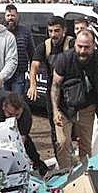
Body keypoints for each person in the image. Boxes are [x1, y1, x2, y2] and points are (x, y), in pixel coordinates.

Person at [50, 30, 98, 168]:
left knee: (85, 144)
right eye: (80, 46)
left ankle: (83, 173)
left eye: (86, 47)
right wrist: (55, 111)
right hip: (64, 108)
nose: (82, 51)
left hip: (87, 108)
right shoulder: (64, 59)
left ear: (93, 46)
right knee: (62, 142)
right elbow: (55, 86)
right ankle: (65, 174)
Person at [29, 16, 75, 147]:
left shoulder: (72, 43)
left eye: (56, 31)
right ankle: (60, 156)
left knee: (74, 128)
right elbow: (34, 65)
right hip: (53, 91)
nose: (53, 34)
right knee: (55, 126)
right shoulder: (45, 46)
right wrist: (33, 84)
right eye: (50, 31)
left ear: (64, 30)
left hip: (71, 90)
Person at [2, 91, 47, 176]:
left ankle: (39, 167)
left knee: (28, 149)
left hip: (19, 133)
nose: (13, 119)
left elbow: (21, 141)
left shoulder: (26, 115)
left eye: (17, 115)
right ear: (3, 107)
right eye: (10, 114)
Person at [4, 4, 33, 96]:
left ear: (17, 16)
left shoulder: (25, 31)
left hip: (19, 73)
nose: (10, 18)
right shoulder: (0, 31)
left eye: (13, 15)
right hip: (3, 73)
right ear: (5, 17)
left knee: (17, 101)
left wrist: (31, 71)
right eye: (8, 15)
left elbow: (31, 52)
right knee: (2, 101)